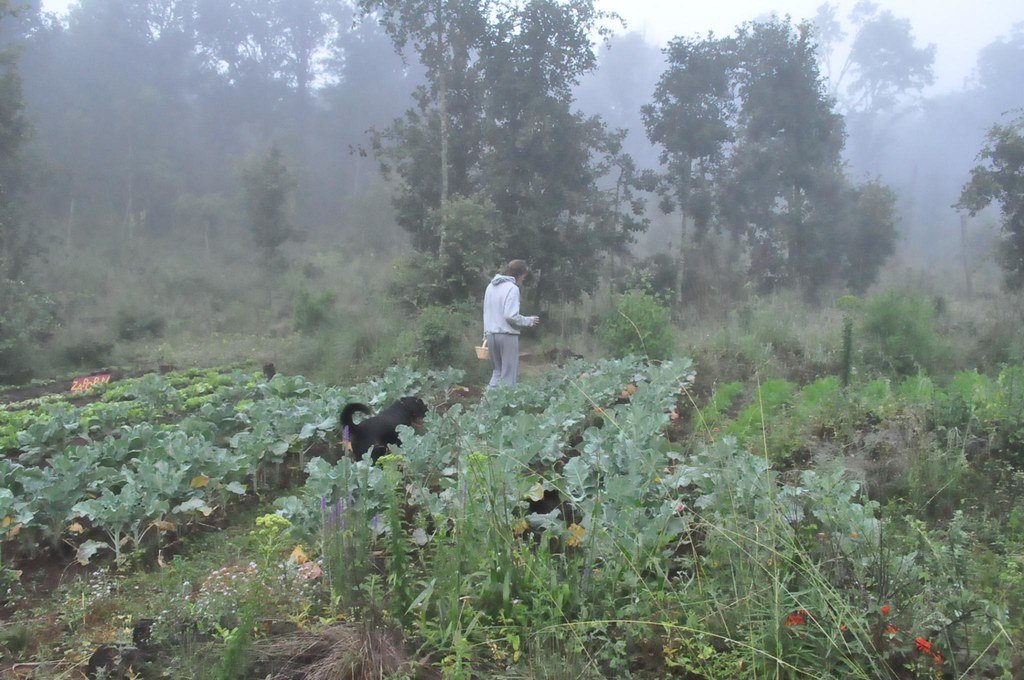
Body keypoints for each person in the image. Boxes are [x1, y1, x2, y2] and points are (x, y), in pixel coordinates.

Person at [483, 259, 539, 388]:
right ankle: (505, 406)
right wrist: (529, 321)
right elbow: (510, 316)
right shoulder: (512, 288)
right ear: (520, 275)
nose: (523, 280)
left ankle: (487, 405)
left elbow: (486, 312)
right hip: (507, 336)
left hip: (491, 334)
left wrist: (485, 334)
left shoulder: (490, 287)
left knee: (497, 372)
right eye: (523, 277)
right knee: (509, 375)